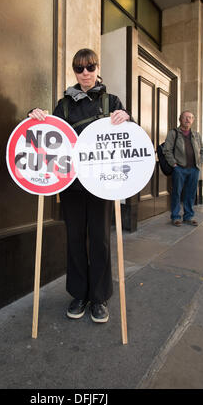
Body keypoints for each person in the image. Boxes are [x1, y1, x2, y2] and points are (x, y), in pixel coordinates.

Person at [29, 48, 131, 323]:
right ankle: (78, 294)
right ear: (74, 71)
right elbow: (49, 133)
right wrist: (36, 115)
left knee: (99, 239)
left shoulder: (113, 101)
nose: (85, 73)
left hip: (101, 184)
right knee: (74, 239)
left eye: (90, 67)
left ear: (97, 68)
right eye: (79, 68)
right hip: (71, 184)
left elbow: (128, 138)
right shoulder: (64, 104)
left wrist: (127, 118)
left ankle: (99, 298)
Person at [163, 110, 203, 227]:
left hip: (194, 169)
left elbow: (202, 151)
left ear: (193, 120)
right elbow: (167, 150)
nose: (188, 119)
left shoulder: (196, 134)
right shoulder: (173, 133)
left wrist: (199, 163)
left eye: (190, 117)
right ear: (180, 119)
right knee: (176, 192)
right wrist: (174, 165)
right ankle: (176, 217)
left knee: (190, 193)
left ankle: (188, 216)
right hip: (179, 169)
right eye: (185, 117)